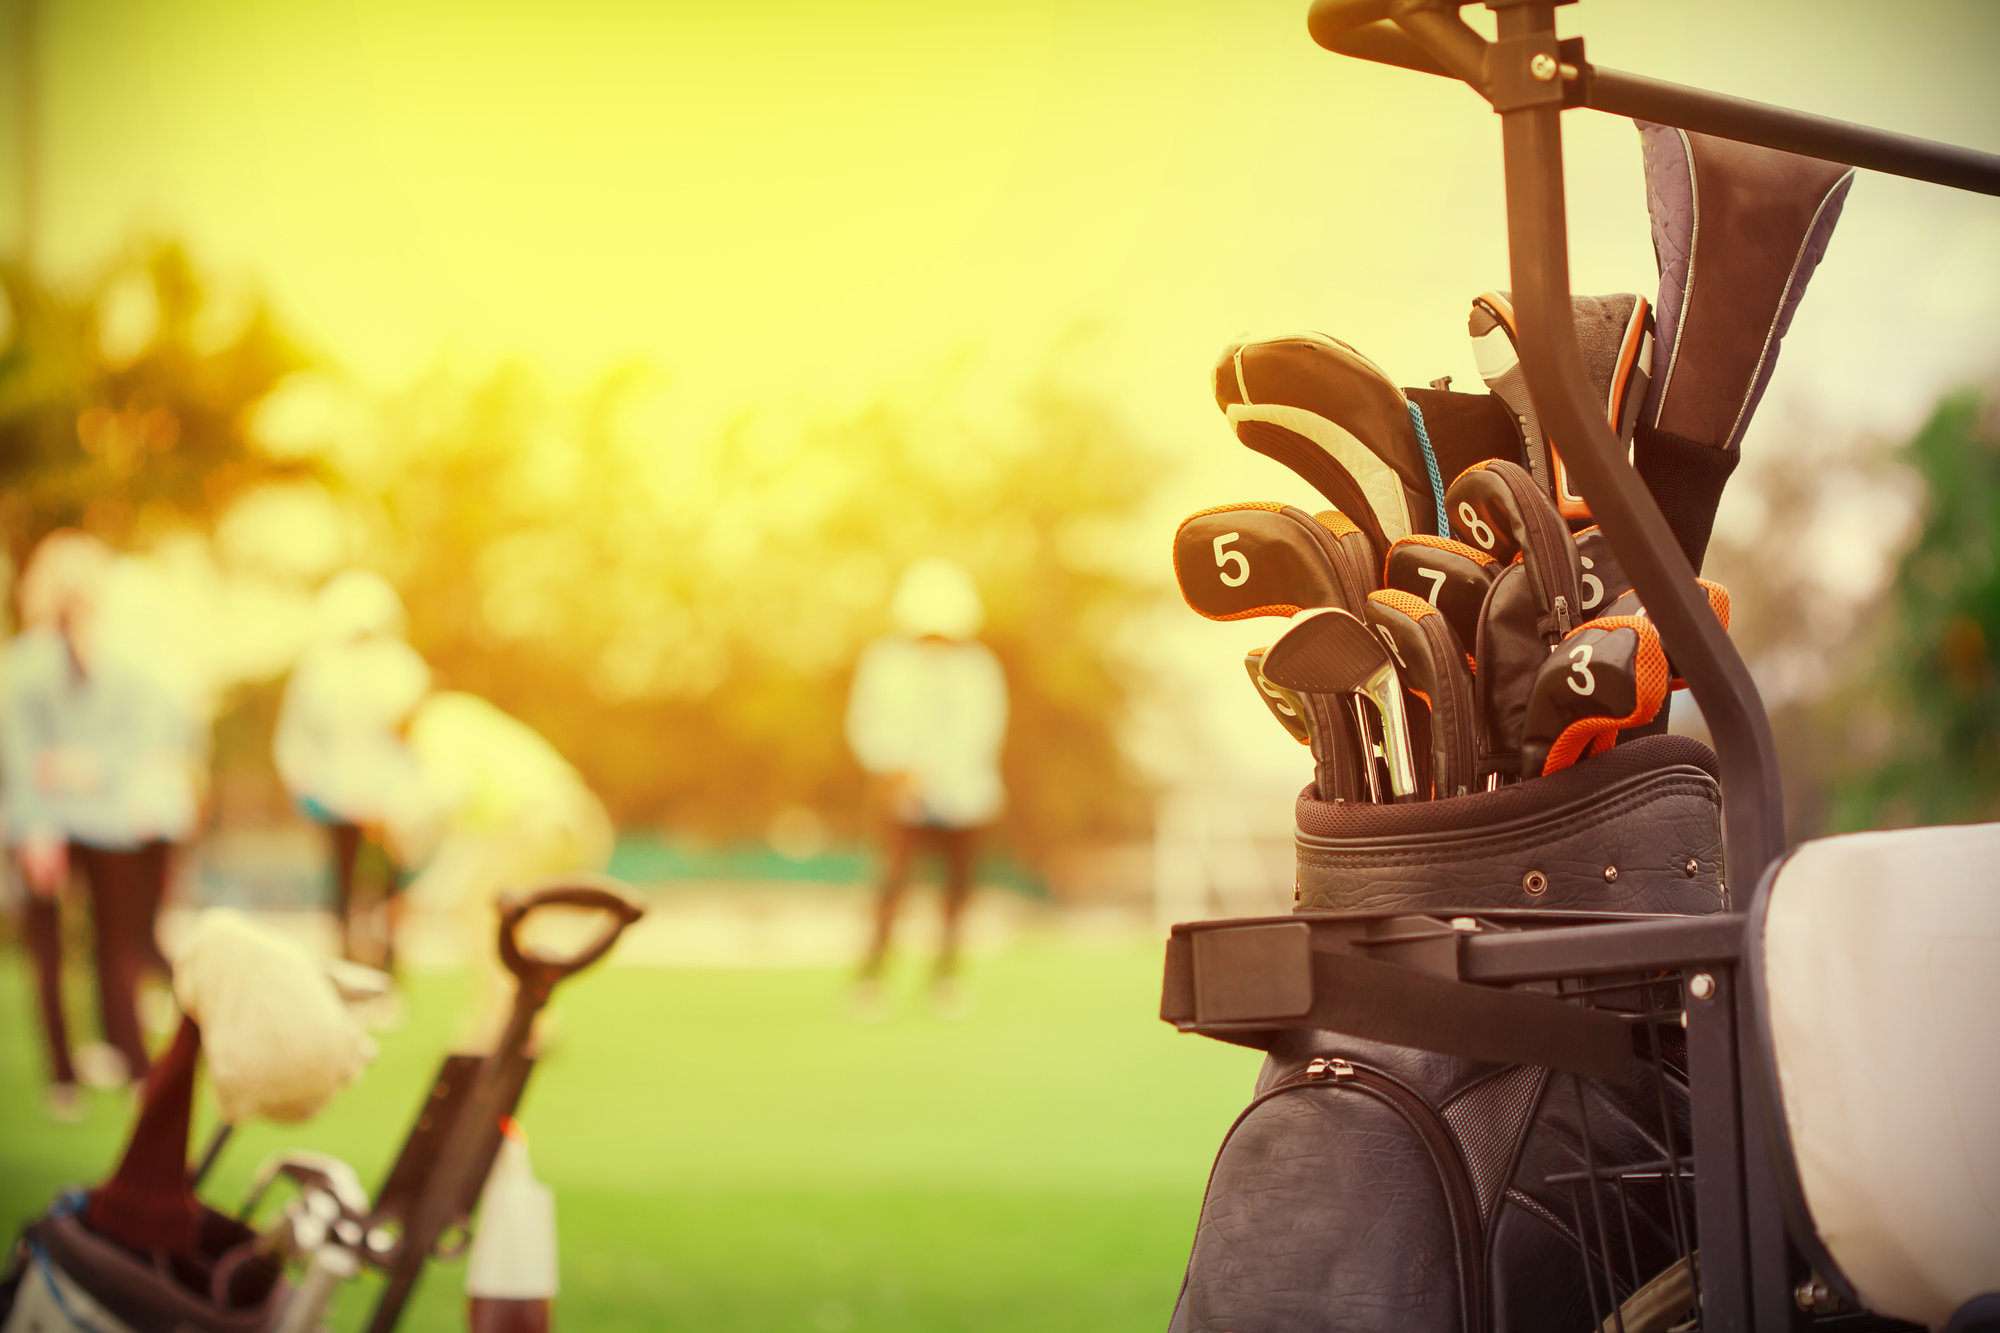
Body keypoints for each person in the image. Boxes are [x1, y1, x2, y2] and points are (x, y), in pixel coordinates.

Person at [1, 531, 204, 1117]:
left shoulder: (121, 663)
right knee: (50, 951)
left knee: (115, 943)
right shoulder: (23, 665)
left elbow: (139, 744)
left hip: (109, 821)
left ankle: (131, 1060)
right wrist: (37, 826)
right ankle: (63, 1074)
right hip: (43, 822)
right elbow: (20, 757)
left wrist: (79, 766)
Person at [386, 690, 614, 1051]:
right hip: (576, 816)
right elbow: (468, 844)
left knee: (487, 915)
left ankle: (502, 1027)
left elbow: (449, 791)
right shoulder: (468, 717)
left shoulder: (437, 720)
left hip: (536, 822)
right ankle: (535, 1022)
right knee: (516, 921)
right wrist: (422, 895)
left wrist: (405, 825)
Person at [845, 558, 1008, 1018]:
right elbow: (867, 724)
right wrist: (894, 769)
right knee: (891, 888)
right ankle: (871, 980)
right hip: (902, 801)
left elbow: (985, 732)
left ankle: (946, 978)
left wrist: (952, 783)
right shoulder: (885, 661)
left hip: (968, 799)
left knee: (956, 894)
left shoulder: (979, 668)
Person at [273, 571, 430, 967]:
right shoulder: (318, 670)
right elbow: (297, 737)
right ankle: (345, 963)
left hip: (392, 800)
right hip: (335, 797)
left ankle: (389, 965)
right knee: (342, 886)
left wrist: (411, 795)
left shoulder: (403, 668)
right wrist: (305, 781)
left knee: (389, 886)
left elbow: (418, 738)